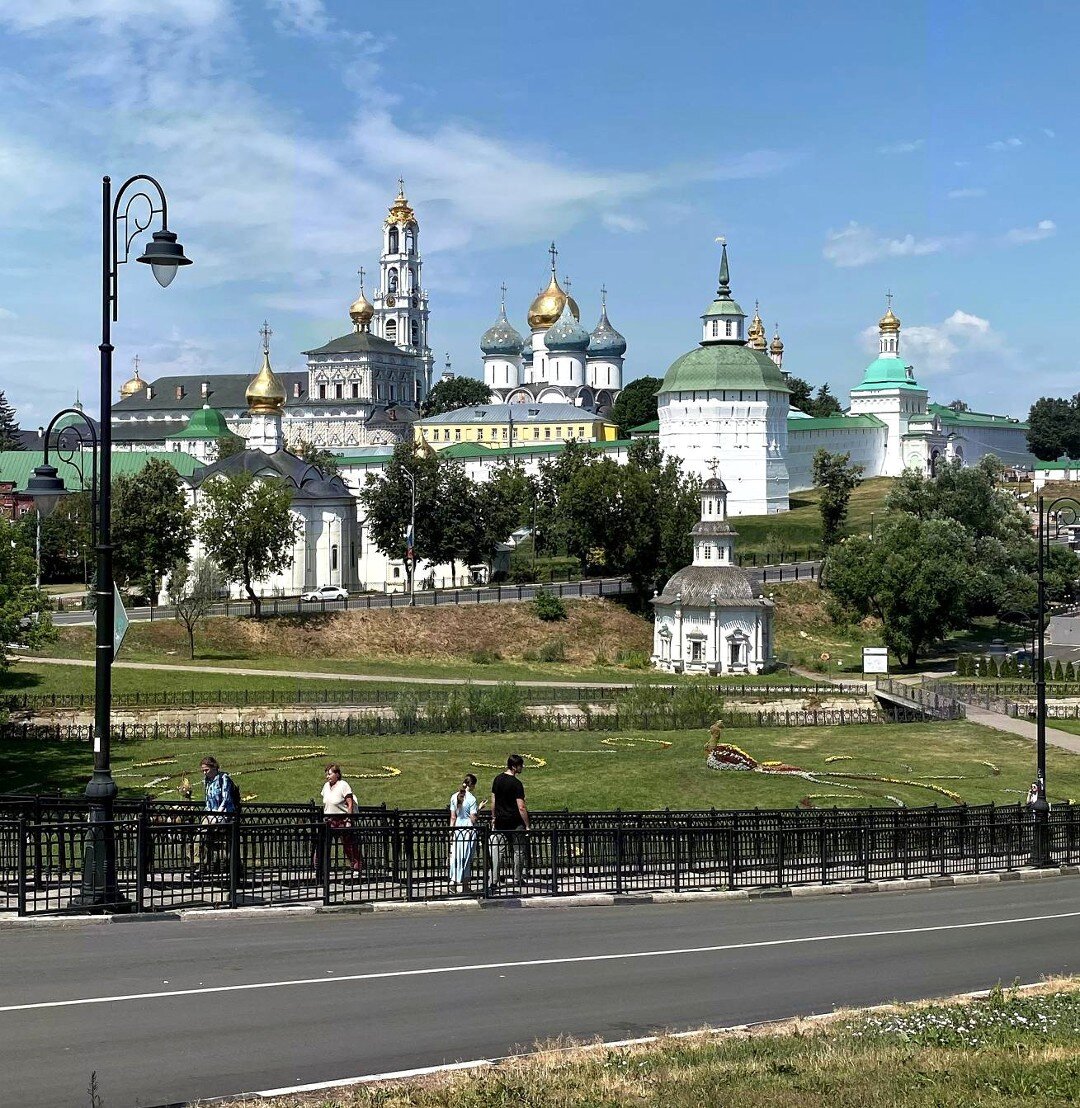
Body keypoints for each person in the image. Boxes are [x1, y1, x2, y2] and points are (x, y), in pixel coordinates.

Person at [189, 756, 237, 878]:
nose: (204, 773)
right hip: (211, 813)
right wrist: (209, 814)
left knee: (203, 833)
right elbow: (208, 801)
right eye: (203, 770)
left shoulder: (223, 778)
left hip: (224, 813)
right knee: (199, 834)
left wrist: (217, 815)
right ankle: (199, 863)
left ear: (214, 767)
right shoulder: (207, 781)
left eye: (206, 770)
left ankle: (200, 864)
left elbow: (226, 799)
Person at [489, 754, 530, 890]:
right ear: (514, 767)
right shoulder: (516, 784)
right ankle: (518, 878)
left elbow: (493, 802)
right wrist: (527, 825)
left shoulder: (497, 779)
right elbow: (521, 807)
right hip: (515, 821)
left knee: (498, 851)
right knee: (518, 851)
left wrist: (494, 817)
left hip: (500, 821)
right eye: (520, 765)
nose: (522, 767)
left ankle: (494, 880)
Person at [320, 763, 362, 874]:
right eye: (327, 774)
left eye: (329, 774)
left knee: (348, 845)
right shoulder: (326, 786)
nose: (327, 776)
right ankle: (321, 867)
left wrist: (348, 819)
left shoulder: (343, 785)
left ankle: (356, 866)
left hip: (342, 819)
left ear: (337, 774)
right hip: (329, 820)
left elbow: (350, 803)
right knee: (324, 844)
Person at [448, 773, 478, 893]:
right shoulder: (472, 799)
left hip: (457, 829)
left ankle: (453, 882)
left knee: (456, 856)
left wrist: (451, 832)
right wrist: (479, 809)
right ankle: (465, 886)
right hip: (468, 830)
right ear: (472, 785)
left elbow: (453, 817)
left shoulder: (454, 797)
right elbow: (473, 818)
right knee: (466, 857)